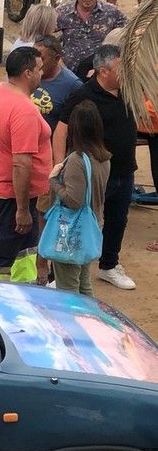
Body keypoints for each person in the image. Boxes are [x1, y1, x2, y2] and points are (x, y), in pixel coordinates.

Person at [54, 45, 137, 290]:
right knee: (83, 221)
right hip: (94, 174)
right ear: (103, 71)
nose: (126, 73)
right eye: (121, 69)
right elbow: (61, 129)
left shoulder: (128, 90)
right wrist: (59, 165)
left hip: (124, 169)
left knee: (118, 219)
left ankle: (109, 265)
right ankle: (65, 271)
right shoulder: (84, 95)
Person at [0, 46, 52, 283]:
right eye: (39, 69)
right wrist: (21, 210)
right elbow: (21, 163)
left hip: (7, 190)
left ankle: (27, 293)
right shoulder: (24, 109)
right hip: (12, 197)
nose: (42, 73)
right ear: (27, 73)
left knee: (25, 252)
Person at [46, 101, 111, 295]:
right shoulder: (104, 158)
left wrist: (53, 181)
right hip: (92, 225)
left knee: (68, 289)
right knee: (83, 283)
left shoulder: (76, 160)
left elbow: (74, 201)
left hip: (71, 231)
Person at [57, 0, 127, 78]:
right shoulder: (62, 12)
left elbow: (128, 35)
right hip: (69, 74)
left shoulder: (112, 12)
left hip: (101, 75)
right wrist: (58, 62)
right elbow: (43, 35)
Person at [30, 34, 81, 131]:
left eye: (42, 59)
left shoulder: (72, 85)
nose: (35, 64)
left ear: (56, 59)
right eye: (33, 58)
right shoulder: (27, 73)